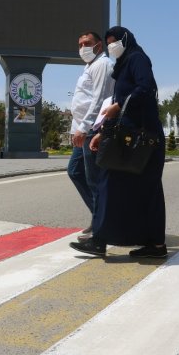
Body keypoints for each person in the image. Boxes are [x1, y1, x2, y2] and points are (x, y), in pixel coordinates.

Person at [70, 26, 167, 259]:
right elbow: (116, 105)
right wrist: (103, 131)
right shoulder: (122, 66)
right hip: (129, 136)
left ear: (126, 40)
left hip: (143, 138)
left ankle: (104, 240)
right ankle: (149, 243)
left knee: (116, 186)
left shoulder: (137, 59)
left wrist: (119, 104)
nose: (113, 45)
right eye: (109, 41)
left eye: (115, 41)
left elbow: (146, 89)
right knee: (133, 191)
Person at [67, 31, 115, 238]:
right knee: (76, 171)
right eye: (79, 44)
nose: (82, 48)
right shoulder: (90, 66)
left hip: (93, 129)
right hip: (83, 129)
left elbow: (100, 99)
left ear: (98, 46)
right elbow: (81, 101)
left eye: (87, 43)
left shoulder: (103, 64)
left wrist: (85, 127)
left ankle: (102, 225)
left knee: (94, 179)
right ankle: (102, 218)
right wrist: (75, 129)